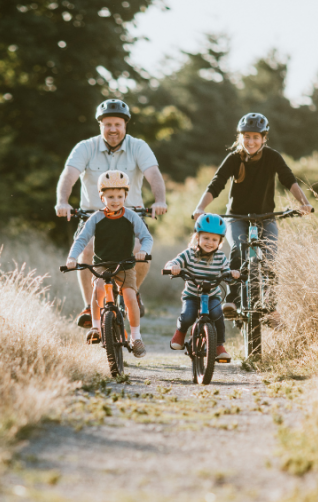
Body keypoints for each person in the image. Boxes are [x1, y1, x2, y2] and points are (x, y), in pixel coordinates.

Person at [191, 113, 312, 323]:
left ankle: (271, 307)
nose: (251, 141)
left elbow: (288, 179)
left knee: (271, 255)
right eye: (246, 136)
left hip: (265, 217)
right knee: (239, 247)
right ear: (240, 137)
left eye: (256, 137)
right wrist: (201, 207)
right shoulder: (234, 158)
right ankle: (233, 299)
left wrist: (304, 203)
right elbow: (216, 184)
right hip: (236, 217)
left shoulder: (272, 157)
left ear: (264, 138)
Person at [56, 99, 167, 328]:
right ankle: (90, 306)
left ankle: (132, 292)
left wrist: (160, 200)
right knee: (86, 251)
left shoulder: (138, 147)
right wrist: (62, 202)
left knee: (140, 251)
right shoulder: (85, 147)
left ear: (125, 125)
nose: (113, 129)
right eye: (108, 124)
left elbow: (153, 174)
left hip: (130, 214)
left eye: (117, 124)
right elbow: (69, 175)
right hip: (92, 215)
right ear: (100, 125)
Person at [66, 170, 153, 358]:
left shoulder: (131, 216)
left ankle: (136, 337)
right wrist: (72, 258)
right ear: (101, 196)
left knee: (130, 295)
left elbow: (146, 237)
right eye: (110, 196)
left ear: (125, 196)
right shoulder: (96, 218)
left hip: (125, 264)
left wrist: (144, 251)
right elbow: (81, 240)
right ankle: (96, 328)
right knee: (98, 288)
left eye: (120, 196)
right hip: (102, 264)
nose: (115, 200)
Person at [165, 214, 239, 361]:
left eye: (214, 239)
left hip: (212, 296)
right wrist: (173, 267)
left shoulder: (220, 257)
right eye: (206, 238)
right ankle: (180, 333)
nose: (209, 242)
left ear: (220, 241)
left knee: (217, 315)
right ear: (197, 237)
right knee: (188, 316)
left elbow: (226, 272)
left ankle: (219, 346)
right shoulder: (189, 254)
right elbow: (172, 262)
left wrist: (232, 274)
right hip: (192, 296)